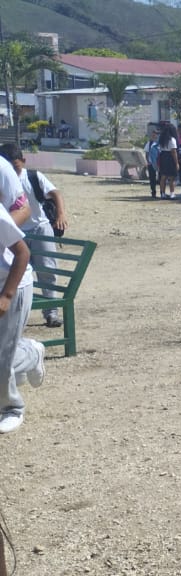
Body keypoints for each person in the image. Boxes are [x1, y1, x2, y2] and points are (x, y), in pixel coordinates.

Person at [0, 157, 45, 435]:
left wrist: (6, 295)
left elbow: (22, 253)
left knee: (1, 358)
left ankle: (12, 408)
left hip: (12, 284)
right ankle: (29, 351)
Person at [1, 144, 65, 327]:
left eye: (16, 167)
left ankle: (51, 312)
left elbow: (55, 193)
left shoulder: (32, 177)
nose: (12, 172)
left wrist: (61, 214)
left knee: (46, 270)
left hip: (39, 228)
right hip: (17, 231)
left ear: (23, 161)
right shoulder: (4, 178)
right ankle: (16, 313)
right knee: (13, 272)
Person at [157, 123, 179, 199]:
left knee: (163, 177)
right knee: (171, 177)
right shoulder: (172, 139)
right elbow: (173, 151)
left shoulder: (161, 138)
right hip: (170, 157)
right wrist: (176, 163)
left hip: (163, 156)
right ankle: (172, 193)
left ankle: (163, 193)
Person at [145, 129, 161, 199]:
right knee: (152, 178)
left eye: (157, 133)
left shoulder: (161, 143)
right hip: (151, 163)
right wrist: (148, 161)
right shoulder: (150, 143)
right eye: (154, 133)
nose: (155, 135)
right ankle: (153, 192)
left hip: (160, 163)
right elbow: (147, 152)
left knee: (161, 178)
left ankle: (162, 192)